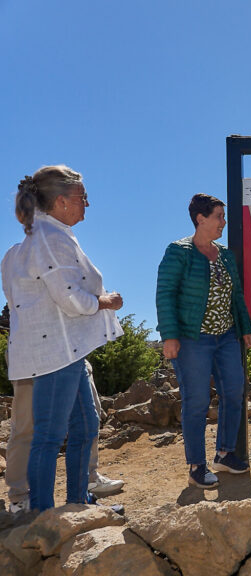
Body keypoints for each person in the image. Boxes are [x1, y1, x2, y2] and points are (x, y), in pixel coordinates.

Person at [1, 165, 124, 512]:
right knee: (49, 436)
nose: (86, 205)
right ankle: (43, 516)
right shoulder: (50, 239)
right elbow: (70, 297)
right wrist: (106, 301)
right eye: (82, 198)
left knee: (85, 424)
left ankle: (77, 503)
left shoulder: (30, 243)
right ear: (61, 201)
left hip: (60, 350)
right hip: (55, 352)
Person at [156, 194, 251, 489]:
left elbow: (236, 295)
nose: (223, 222)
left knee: (235, 390)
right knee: (197, 400)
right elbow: (165, 294)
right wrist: (170, 336)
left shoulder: (224, 255)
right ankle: (196, 465)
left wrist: (245, 327)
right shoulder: (179, 251)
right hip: (192, 338)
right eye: (219, 217)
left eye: (223, 217)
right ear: (201, 219)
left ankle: (224, 454)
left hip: (225, 337)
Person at [4, 357, 124, 514]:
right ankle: (24, 501)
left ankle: (84, 490)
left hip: (73, 350)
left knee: (87, 423)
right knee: (28, 428)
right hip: (31, 349)